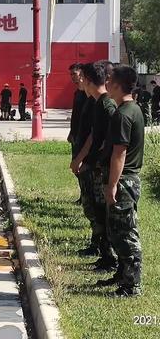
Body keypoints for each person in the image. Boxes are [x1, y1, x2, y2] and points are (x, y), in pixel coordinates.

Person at [99, 65, 144, 297]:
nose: (106, 83)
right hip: (126, 179)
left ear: (117, 85)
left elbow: (120, 153)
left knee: (126, 232)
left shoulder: (124, 114)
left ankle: (132, 284)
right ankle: (122, 274)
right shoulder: (131, 109)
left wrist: (112, 184)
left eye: (109, 80)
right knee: (116, 230)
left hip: (124, 180)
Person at [71, 62, 117, 268]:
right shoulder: (95, 102)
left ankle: (110, 256)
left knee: (104, 212)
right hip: (92, 164)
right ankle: (101, 248)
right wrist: (80, 158)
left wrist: (93, 162)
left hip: (101, 168)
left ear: (88, 80)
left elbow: (110, 143)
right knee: (95, 209)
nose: (78, 81)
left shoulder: (107, 106)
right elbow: (92, 135)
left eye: (81, 77)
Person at [67, 63, 87, 203]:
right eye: (71, 74)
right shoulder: (77, 93)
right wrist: (71, 132)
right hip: (76, 135)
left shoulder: (88, 93)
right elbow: (75, 115)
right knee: (76, 167)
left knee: (84, 167)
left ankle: (86, 196)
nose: (73, 77)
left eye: (75, 74)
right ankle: (83, 194)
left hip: (85, 136)